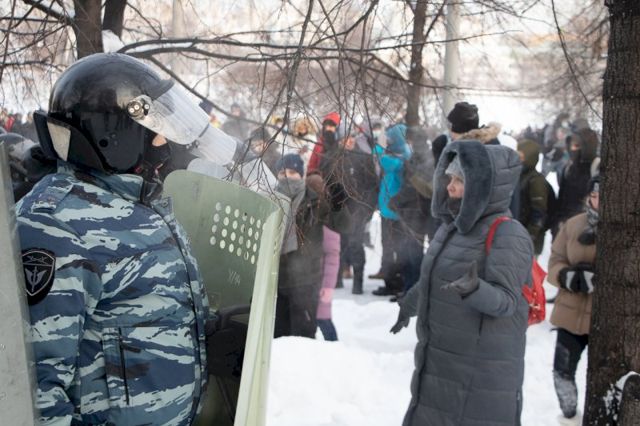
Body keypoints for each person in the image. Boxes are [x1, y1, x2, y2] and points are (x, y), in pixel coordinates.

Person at [18, 53, 212, 425]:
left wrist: (213, 331)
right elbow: (35, 392)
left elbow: (140, 314)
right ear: (113, 136)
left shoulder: (137, 202)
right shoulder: (56, 226)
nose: (162, 143)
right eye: (153, 129)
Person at [392, 141, 533, 425]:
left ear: (484, 187)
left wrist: (475, 289)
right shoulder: (452, 228)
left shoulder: (508, 233)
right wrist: (411, 303)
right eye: (450, 178)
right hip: (441, 364)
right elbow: (438, 279)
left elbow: (507, 301)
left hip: (478, 375)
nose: (450, 187)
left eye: (460, 180)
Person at [274, 154, 348, 338]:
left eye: (292, 172)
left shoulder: (316, 202)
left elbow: (342, 226)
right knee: (278, 340)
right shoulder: (271, 200)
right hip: (276, 282)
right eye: (282, 173)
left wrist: (339, 205)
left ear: (301, 174)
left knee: (303, 338)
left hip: (306, 283)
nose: (287, 177)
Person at [547, 176, 599, 420]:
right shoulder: (573, 225)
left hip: (605, 321)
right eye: (594, 196)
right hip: (570, 314)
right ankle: (570, 417)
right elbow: (555, 261)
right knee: (561, 373)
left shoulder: (628, 230)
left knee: (601, 378)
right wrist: (567, 276)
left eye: (603, 196)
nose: (597, 202)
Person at [332, 124, 377, 294]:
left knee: (355, 243)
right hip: (339, 210)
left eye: (351, 137)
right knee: (338, 244)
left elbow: (373, 186)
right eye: (344, 138)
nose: (348, 141)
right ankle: (337, 278)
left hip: (358, 209)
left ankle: (358, 282)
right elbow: (330, 184)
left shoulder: (364, 157)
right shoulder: (334, 158)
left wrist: (367, 209)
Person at [372, 123, 412, 297]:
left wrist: (379, 146)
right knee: (390, 247)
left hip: (393, 212)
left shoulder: (401, 157)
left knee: (393, 248)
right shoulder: (400, 154)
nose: (387, 141)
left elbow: (380, 158)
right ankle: (392, 281)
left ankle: (394, 283)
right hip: (389, 210)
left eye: (390, 139)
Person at [554, 126, 599, 237]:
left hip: (586, 228)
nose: (572, 150)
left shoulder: (597, 168)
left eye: (577, 146)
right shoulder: (568, 168)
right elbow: (562, 200)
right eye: (571, 146)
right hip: (565, 225)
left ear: (586, 147)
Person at [517, 138, 551, 255]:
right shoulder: (521, 175)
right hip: (519, 234)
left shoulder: (536, 181)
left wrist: (530, 236)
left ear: (529, 158)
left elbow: (539, 213)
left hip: (529, 241)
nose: (517, 160)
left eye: (521, 157)